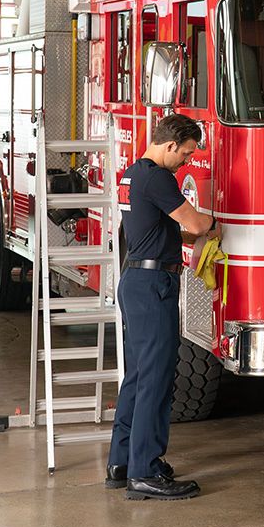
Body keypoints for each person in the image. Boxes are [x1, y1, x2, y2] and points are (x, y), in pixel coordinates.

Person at [107, 113, 219, 501]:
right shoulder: (158, 177)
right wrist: (214, 220)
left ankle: (122, 463)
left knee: (137, 378)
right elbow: (196, 223)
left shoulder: (132, 174)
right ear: (170, 145)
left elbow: (167, 225)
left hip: (136, 280)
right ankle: (146, 471)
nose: (186, 162)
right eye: (185, 155)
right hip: (154, 285)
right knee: (156, 380)